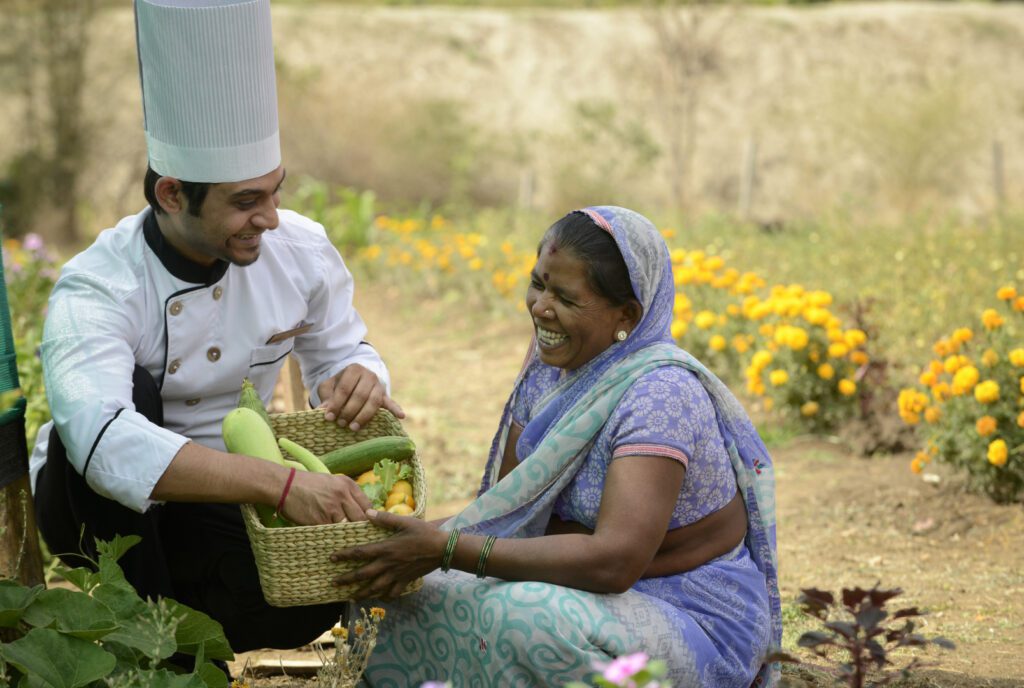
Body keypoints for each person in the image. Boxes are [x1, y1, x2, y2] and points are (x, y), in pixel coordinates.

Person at [28, 0, 401, 659]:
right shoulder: (98, 286)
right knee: (136, 398)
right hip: (90, 507)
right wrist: (280, 485)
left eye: (275, 192)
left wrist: (360, 377)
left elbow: (346, 349)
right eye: (245, 202)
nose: (272, 219)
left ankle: (181, 631)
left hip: (225, 500)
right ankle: (142, 640)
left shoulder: (301, 253)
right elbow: (101, 444)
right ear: (173, 195)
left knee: (308, 601)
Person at [331, 206, 781, 687]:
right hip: (574, 581)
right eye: (538, 283)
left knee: (523, 617)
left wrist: (445, 549)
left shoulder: (659, 393)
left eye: (565, 297)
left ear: (626, 315)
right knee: (390, 587)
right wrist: (404, 543)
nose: (541, 307)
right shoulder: (548, 374)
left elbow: (615, 561)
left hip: (685, 609)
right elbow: (508, 516)